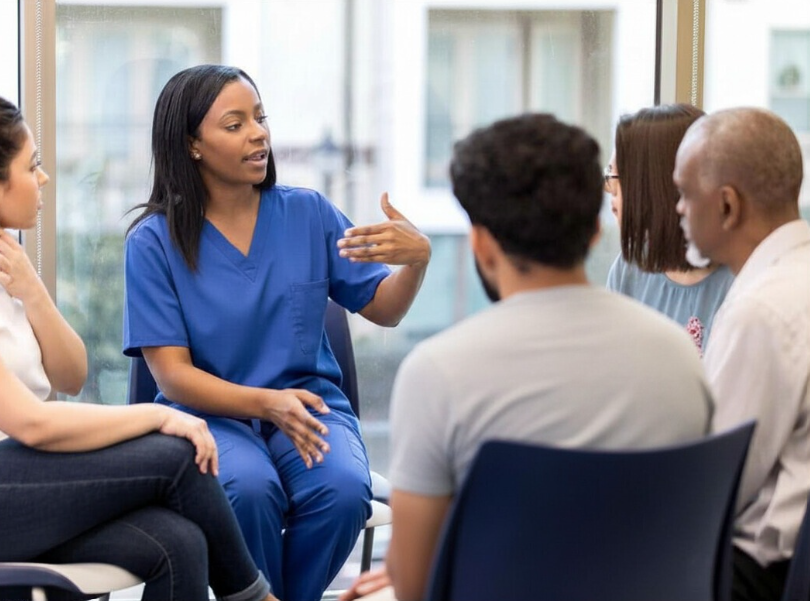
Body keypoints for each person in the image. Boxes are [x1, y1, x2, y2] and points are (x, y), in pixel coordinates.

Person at [0, 88, 276, 601]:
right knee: (177, 454)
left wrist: (32, 290)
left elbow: (71, 375)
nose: (43, 179)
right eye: (31, 166)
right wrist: (159, 415)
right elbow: (31, 422)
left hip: (7, 475)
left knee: (179, 542)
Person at [341, 113, 713, 601]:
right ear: (595, 234)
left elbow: (413, 583)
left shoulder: (438, 372)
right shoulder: (678, 355)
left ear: (481, 244)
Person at [122, 64, 430, 601]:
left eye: (260, 118)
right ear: (192, 144)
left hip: (309, 409)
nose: (259, 133)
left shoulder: (308, 213)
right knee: (246, 489)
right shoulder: (153, 242)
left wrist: (417, 262)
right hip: (207, 417)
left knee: (341, 491)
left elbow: (385, 310)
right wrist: (266, 404)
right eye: (235, 124)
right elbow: (171, 377)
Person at [674, 107, 810, 601]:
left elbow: (711, 491)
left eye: (685, 193)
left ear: (728, 206)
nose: (679, 210)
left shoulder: (762, 310)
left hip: (756, 575)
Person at [605, 103, 734, 354]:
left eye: (614, 181)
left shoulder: (740, 281)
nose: (612, 202)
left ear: (654, 190)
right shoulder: (628, 269)